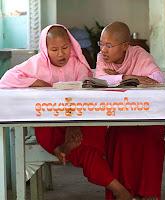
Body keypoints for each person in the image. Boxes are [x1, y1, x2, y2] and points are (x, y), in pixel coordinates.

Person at [0, 24, 136, 200]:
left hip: (79, 124)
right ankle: (121, 191)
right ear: (45, 48)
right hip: (50, 126)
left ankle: (68, 148)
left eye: (65, 48)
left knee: (95, 129)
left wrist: (74, 123)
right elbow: (6, 80)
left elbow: (85, 97)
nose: (61, 54)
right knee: (87, 149)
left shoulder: (78, 65)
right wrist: (37, 82)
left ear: (71, 45)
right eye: (54, 49)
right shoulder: (36, 64)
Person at [95, 21, 165, 200]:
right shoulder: (102, 58)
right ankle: (126, 194)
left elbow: (157, 78)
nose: (103, 50)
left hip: (148, 117)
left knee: (149, 136)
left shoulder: (139, 55)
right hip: (120, 118)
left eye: (109, 45)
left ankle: (147, 194)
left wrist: (119, 77)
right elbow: (101, 79)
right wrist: (129, 77)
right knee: (120, 137)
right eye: (101, 44)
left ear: (126, 46)